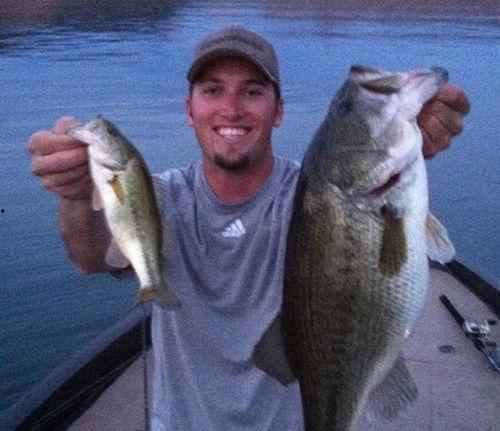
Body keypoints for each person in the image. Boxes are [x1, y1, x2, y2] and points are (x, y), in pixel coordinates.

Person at [28, 26, 470, 430]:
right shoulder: (160, 197)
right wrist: (77, 196)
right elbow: (90, 258)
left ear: (278, 111)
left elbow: (377, 203)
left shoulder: (314, 198)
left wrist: (417, 133)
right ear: (190, 110)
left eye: (253, 91)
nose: (231, 108)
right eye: (212, 90)